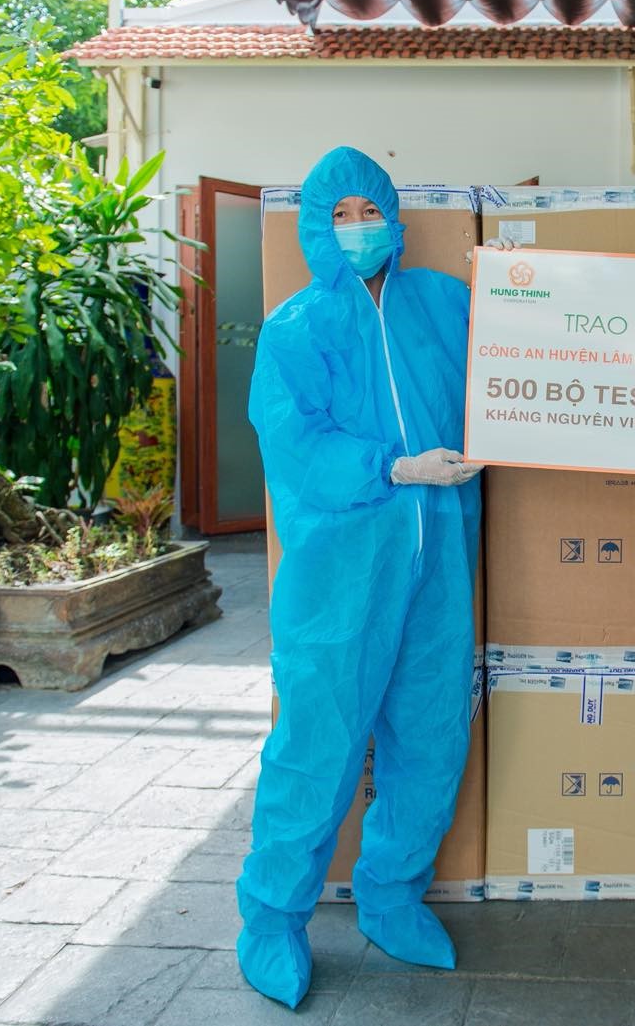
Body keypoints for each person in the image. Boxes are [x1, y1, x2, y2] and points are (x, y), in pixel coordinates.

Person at [236, 146, 491, 1007]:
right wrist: (394, 465)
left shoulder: (443, 305)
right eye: (339, 215)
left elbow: (535, 350)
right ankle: (272, 918)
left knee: (431, 736)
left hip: (438, 570)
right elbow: (295, 447)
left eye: (368, 211)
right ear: (315, 226)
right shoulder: (296, 329)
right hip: (338, 582)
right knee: (316, 747)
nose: (356, 228)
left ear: (394, 217)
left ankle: (391, 895)